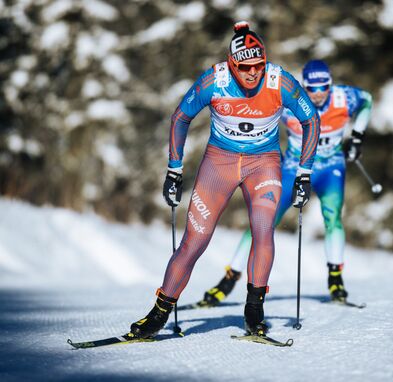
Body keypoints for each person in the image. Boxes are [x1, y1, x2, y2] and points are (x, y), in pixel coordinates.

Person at [128, 22, 320, 339]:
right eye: (244, 67)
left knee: (262, 231)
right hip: (220, 163)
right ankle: (159, 314)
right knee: (194, 242)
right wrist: (174, 170)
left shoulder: (278, 81)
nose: (252, 73)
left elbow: (310, 119)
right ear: (232, 64)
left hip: (264, 164)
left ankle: (254, 310)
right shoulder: (214, 81)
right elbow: (180, 117)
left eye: (258, 66)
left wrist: (304, 172)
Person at [199, 59, 373, 307]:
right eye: (311, 88)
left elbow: (367, 100)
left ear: (331, 83)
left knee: (332, 216)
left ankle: (336, 279)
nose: (318, 93)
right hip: (293, 169)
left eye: (324, 86)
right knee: (262, 221)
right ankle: (228, 279)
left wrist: (357, 136)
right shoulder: (291, 103)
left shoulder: (344, 98)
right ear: (304, 86)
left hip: (330, 167)